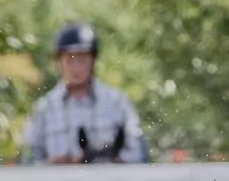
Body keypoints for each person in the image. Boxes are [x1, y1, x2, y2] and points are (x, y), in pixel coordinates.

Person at [20, 22, 149, 164]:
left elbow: (139, 156)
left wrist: (111, 160)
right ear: (59, 61)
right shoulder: (44, 109)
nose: (76, 67)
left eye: (82, 59)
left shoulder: (118, 103)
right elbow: (28, 162)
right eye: (70, 59)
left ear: (94, 60)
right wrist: (54, 165)